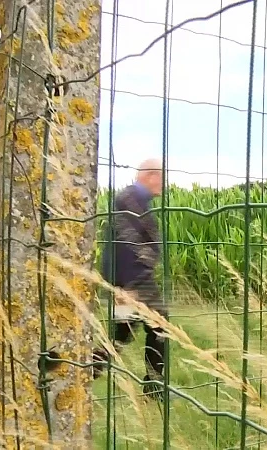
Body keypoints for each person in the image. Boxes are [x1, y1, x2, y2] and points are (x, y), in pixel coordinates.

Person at [92, 158, 167, 402]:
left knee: (124, 331)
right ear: (151, 176)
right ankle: (154, 386)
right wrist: (125, 286)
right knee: (160, 324)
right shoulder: (130, 200)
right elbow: (124, 246)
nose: (164, 183)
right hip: (134, 279)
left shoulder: (136, 200)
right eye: (162, 177)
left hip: (130, 279)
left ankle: (88, 370)